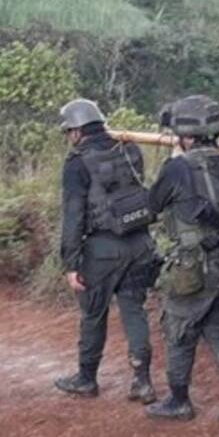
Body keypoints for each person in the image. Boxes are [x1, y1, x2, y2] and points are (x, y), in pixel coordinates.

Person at [144, 95, 219, 425]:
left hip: (191, 267)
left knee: (178, 329)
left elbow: (153, 205)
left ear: (187, 136)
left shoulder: (178, 167)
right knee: (218, 330)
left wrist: (172, 163)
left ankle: (178, 400)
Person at [54, 98, 158, 404]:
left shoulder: (77, 163)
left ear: (76, 131)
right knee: (134, 312)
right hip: (140, 244)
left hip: (102, 250)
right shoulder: (131, 149)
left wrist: (71, 263)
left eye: (68, 132)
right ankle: (143, 382)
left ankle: (86, 379)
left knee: (93, 314)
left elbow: (73, 216)